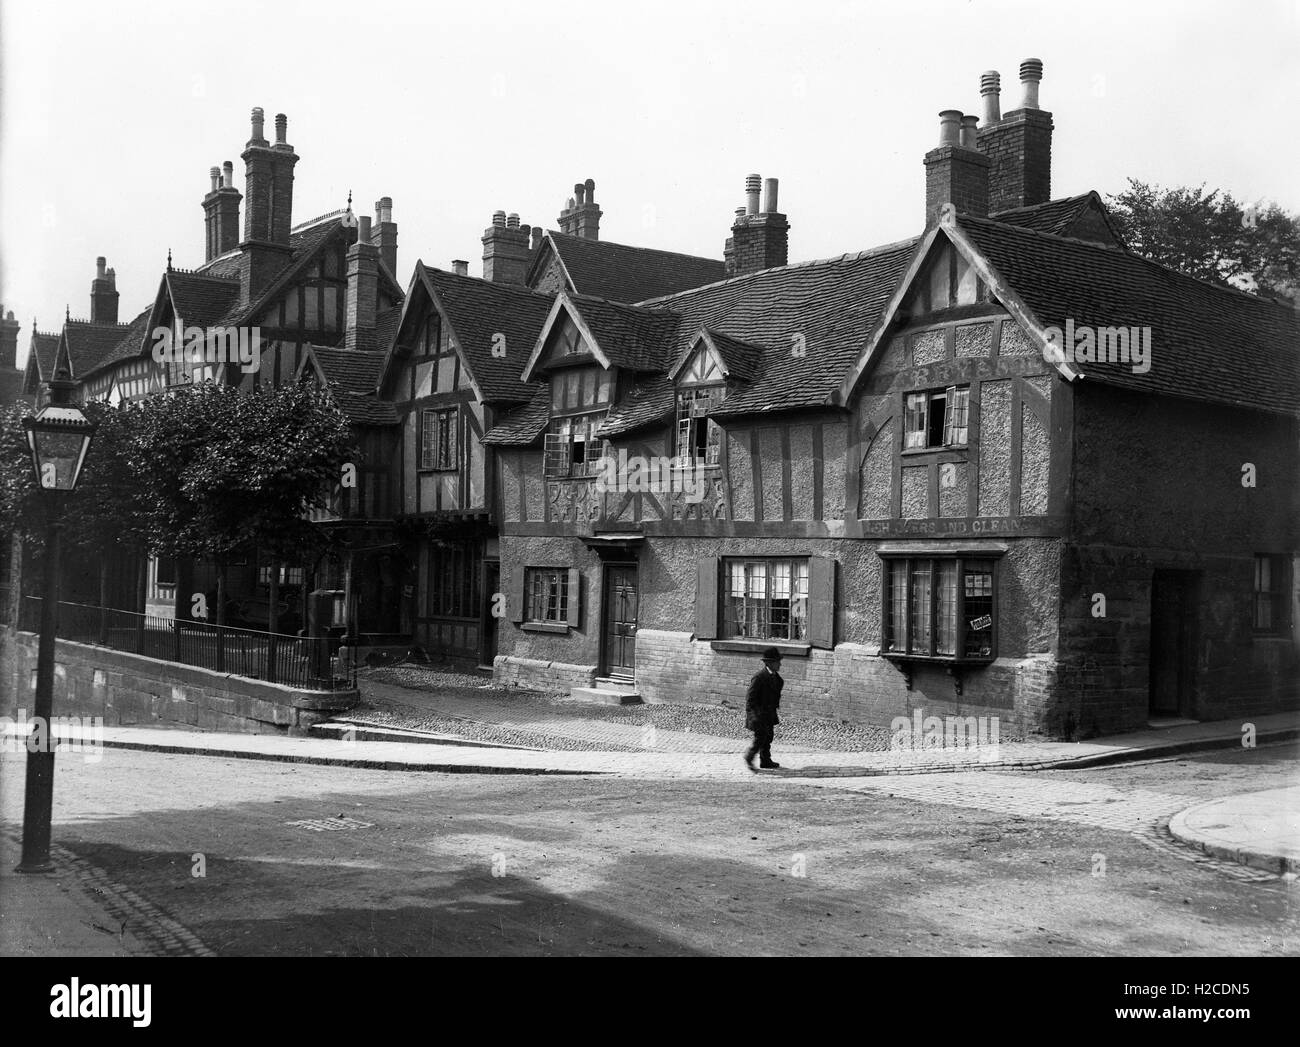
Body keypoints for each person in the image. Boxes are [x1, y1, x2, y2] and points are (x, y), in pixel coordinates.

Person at [744, 647, 784, 770]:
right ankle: (749, 757)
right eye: (777, 662)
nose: (780, 664)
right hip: (759, 714)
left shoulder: (778, 679)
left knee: (768, 737)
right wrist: (754, 715)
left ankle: (765, 760)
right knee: (760, 738)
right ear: (769, 663)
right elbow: (750, 698)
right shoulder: (759, 677)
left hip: (769, 714)